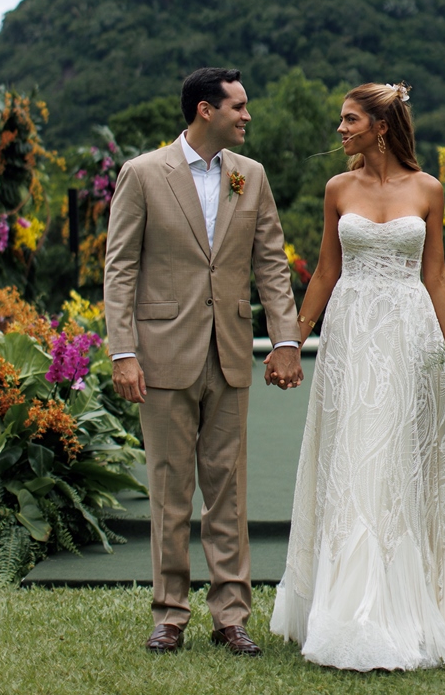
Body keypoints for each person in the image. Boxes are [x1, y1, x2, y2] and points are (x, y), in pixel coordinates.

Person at [268, 82, 445, 670]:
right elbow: (323, 274)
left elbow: (437, 278)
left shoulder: (429, 190)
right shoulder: (338, 189)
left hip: (410, 337)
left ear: (380, 126)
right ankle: (351, 610)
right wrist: (291, 339)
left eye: (349, 120)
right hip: (352, 340)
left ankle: (418, 605)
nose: (340, 130)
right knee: (357, 458)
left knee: (404, 462)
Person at [105, 67, 303, 657]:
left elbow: (271, 262)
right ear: (204, 110)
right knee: (170, 491)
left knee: (230, 491)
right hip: (162, 353)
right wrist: (124, 351)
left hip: (232, 350)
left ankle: (230, 617)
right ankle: (169, 614)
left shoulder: (252, 176)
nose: (247, 116)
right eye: (238, 107)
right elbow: (120, 268)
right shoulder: (142, 174)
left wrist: (286, 339)